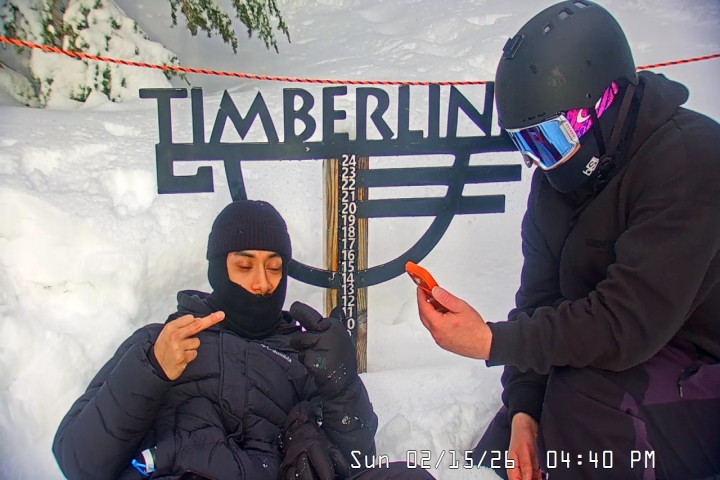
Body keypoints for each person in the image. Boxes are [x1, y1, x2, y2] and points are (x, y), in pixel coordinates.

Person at [414, 2, 720, 480]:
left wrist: (491, 340)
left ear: (605, 104)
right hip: (628, 358)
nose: (539, 161)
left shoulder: (690, 160)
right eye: (526, 144)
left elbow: (625, 322)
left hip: (699, 368)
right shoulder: (560, 179)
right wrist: (523, 409)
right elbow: (540, 301)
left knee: (580, 400)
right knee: (506, 454)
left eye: (549, 139)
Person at [53, 200, 434, 480]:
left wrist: (340, 383)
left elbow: (355, 462)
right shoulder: (162, 342)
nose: (262, 283)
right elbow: (79, 462)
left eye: (274, 267)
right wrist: (152, 370)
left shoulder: (302, 354)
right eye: (244, 266)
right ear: (218, 268)